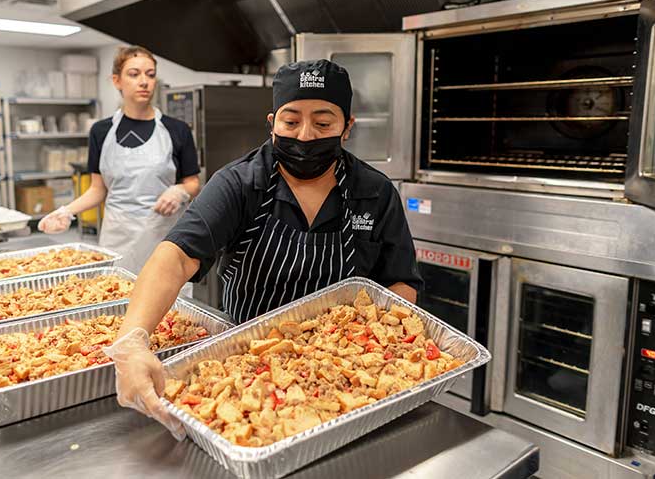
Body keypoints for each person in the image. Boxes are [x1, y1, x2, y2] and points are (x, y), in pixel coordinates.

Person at [102, 59, 422, 438]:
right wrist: (132, 340)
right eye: (290, 121)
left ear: (347, 127)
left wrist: (387, 355)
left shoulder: (375, 192)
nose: (304, 136)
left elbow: (401, 283)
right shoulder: (240, 183)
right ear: (271, 123)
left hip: (347, 368)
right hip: (248, 365)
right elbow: (174, 257)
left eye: (323, 123)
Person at [38, 46, 201, 274]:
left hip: (164, 237)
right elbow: (98, 189)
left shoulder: (177, 130)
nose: (144, 81)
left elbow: (193, 182)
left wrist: (180, 191)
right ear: (117, 80)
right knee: (117, 296)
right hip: (118, 238)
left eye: (150, 74)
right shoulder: (101, 131)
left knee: (169, 305)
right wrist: (65, 211)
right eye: (134, 74)